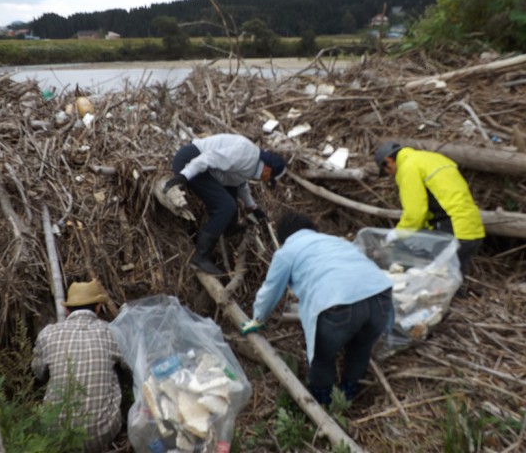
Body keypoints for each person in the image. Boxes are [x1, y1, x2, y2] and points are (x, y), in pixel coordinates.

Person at [240, 212, 393, 405]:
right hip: (380, 295)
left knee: (323, 358)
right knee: (360, 350)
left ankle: (324, 404)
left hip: (338, 303)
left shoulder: (288, 251)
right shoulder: (338, 242)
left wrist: (258, 318)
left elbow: (271, 289)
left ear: (284, 237)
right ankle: (348, 395)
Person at [163, 133, 286, 275]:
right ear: (268, 169)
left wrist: (252, 207)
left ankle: (229, 227)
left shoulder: (253, 163)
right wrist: (185, 175)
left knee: (231, 191)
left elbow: (239, 183)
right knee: (226, 206)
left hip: (205, 168)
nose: (265, 181)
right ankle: (201, 256)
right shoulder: (247, 154)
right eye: (269, 179)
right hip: (191, 161)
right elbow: (208, 157)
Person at [32, 280, 124, 452]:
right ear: (97, 308)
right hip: (100, 434)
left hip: (54, 435)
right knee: (116, 367)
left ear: (67, 310)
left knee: (49, 368)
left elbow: (38, 373)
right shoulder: (112, 332)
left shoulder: (48, 334)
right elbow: (129, 365)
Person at [374, 141, 485, 274]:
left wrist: (398, 233)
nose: (390, 175)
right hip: (472, 228)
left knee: (423, 275)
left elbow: (415, 213)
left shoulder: (408, 167)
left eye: (387, 171)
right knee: (452, 280)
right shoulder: (434, 158)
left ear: (389, 160)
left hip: (452, 230)